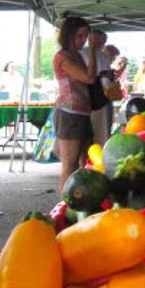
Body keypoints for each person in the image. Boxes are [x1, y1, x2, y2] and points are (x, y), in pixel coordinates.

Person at [53, 16, 97, 193]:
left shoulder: (76, 55)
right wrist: (93, 50)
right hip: (69, 113)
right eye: (81, 35)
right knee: (69, 164)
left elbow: (87, 79)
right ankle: (65, 205)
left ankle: (80, 199)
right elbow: (89, 78)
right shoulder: (62, 56)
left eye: (86, 36)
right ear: (69, 34)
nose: (84, 40)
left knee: (84, 161)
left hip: (82, 113)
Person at [79, 29, 112, 145]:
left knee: (99, 129)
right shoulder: (81, 53)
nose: (100, 42)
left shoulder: (103, 56)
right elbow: (90, 77)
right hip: (88, 96)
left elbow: (107, 79)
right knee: (92, 131)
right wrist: (103, 75)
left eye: (102, 40)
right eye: (97, 38)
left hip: (100, 96)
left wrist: (110, 75)